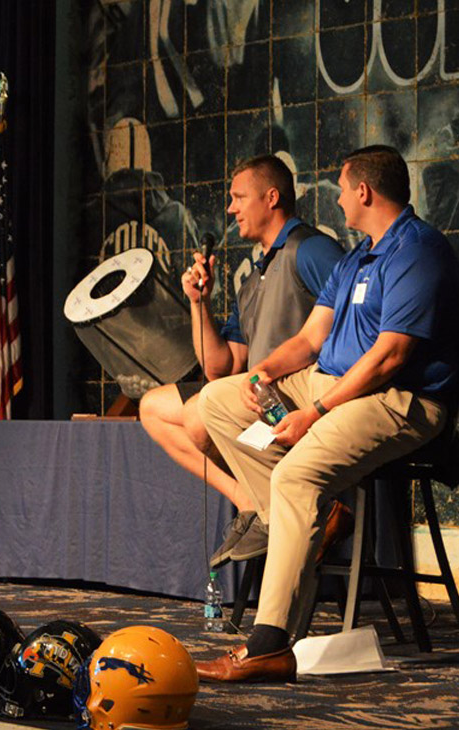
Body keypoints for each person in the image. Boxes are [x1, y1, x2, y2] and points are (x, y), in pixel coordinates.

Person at [195, 145, 459, 682]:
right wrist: (262, 372)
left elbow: (390, 357)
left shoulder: (418, 249)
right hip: (334, 384)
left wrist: (313, 412)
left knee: (295, 476)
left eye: (341, 190)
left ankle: (270, 644)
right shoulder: (356, 256)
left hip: (400, 399)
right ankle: (305, 522)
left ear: (364, 191)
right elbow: (311, 338)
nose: (337, 200)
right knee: (217, 400)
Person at [139, 154, 345, 568]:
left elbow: (352, 319)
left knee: (198, 414)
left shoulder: (311, 249)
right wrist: (199, 303)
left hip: (298, 400)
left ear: (271, 198)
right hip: (251, 395)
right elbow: (221, 366)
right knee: (152, 408)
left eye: (238, 197)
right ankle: (250, 499)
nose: (231, 209)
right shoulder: (252, 279)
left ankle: (314, 505)